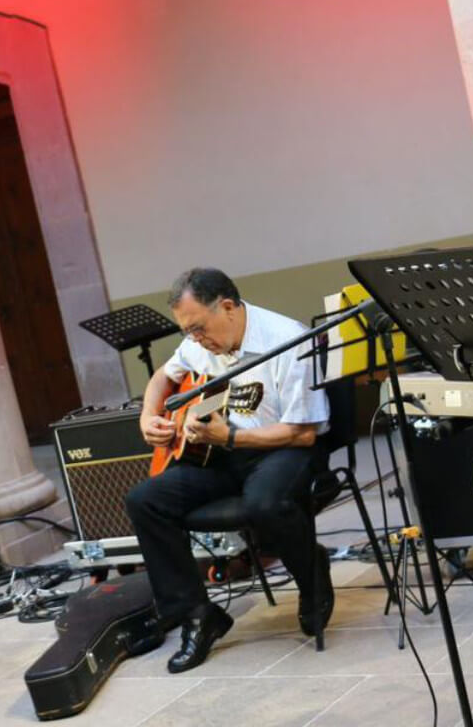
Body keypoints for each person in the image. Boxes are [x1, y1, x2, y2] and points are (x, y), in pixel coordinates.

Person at [124, 267, 332, 673]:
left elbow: (303, 433)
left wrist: (232, 437)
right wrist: (148, 415)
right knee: (144, 501)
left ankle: (311, 575)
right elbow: (164, 376)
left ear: (228, 307)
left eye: (198, 328)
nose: (195, 340)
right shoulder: (199, 342)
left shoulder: (286, 338)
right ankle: (197, 615)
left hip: (284, 448)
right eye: (187, 332)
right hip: (224, 451)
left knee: (263, 504)